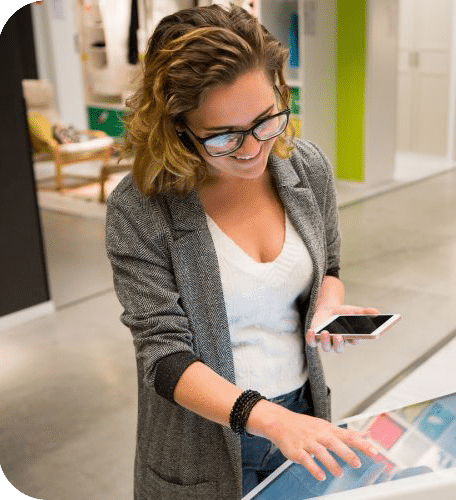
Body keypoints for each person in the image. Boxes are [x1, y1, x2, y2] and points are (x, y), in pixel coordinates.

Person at [105, 5, 379, 499]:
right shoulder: (141, 208)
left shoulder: (305, 167)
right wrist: (269, 420)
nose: (253, 149)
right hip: (203, 440)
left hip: (301, 412)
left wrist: (328, 304)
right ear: (177, 128)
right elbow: (164, 356)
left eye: (265, 120)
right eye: (225, 137)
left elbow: (329, 264)